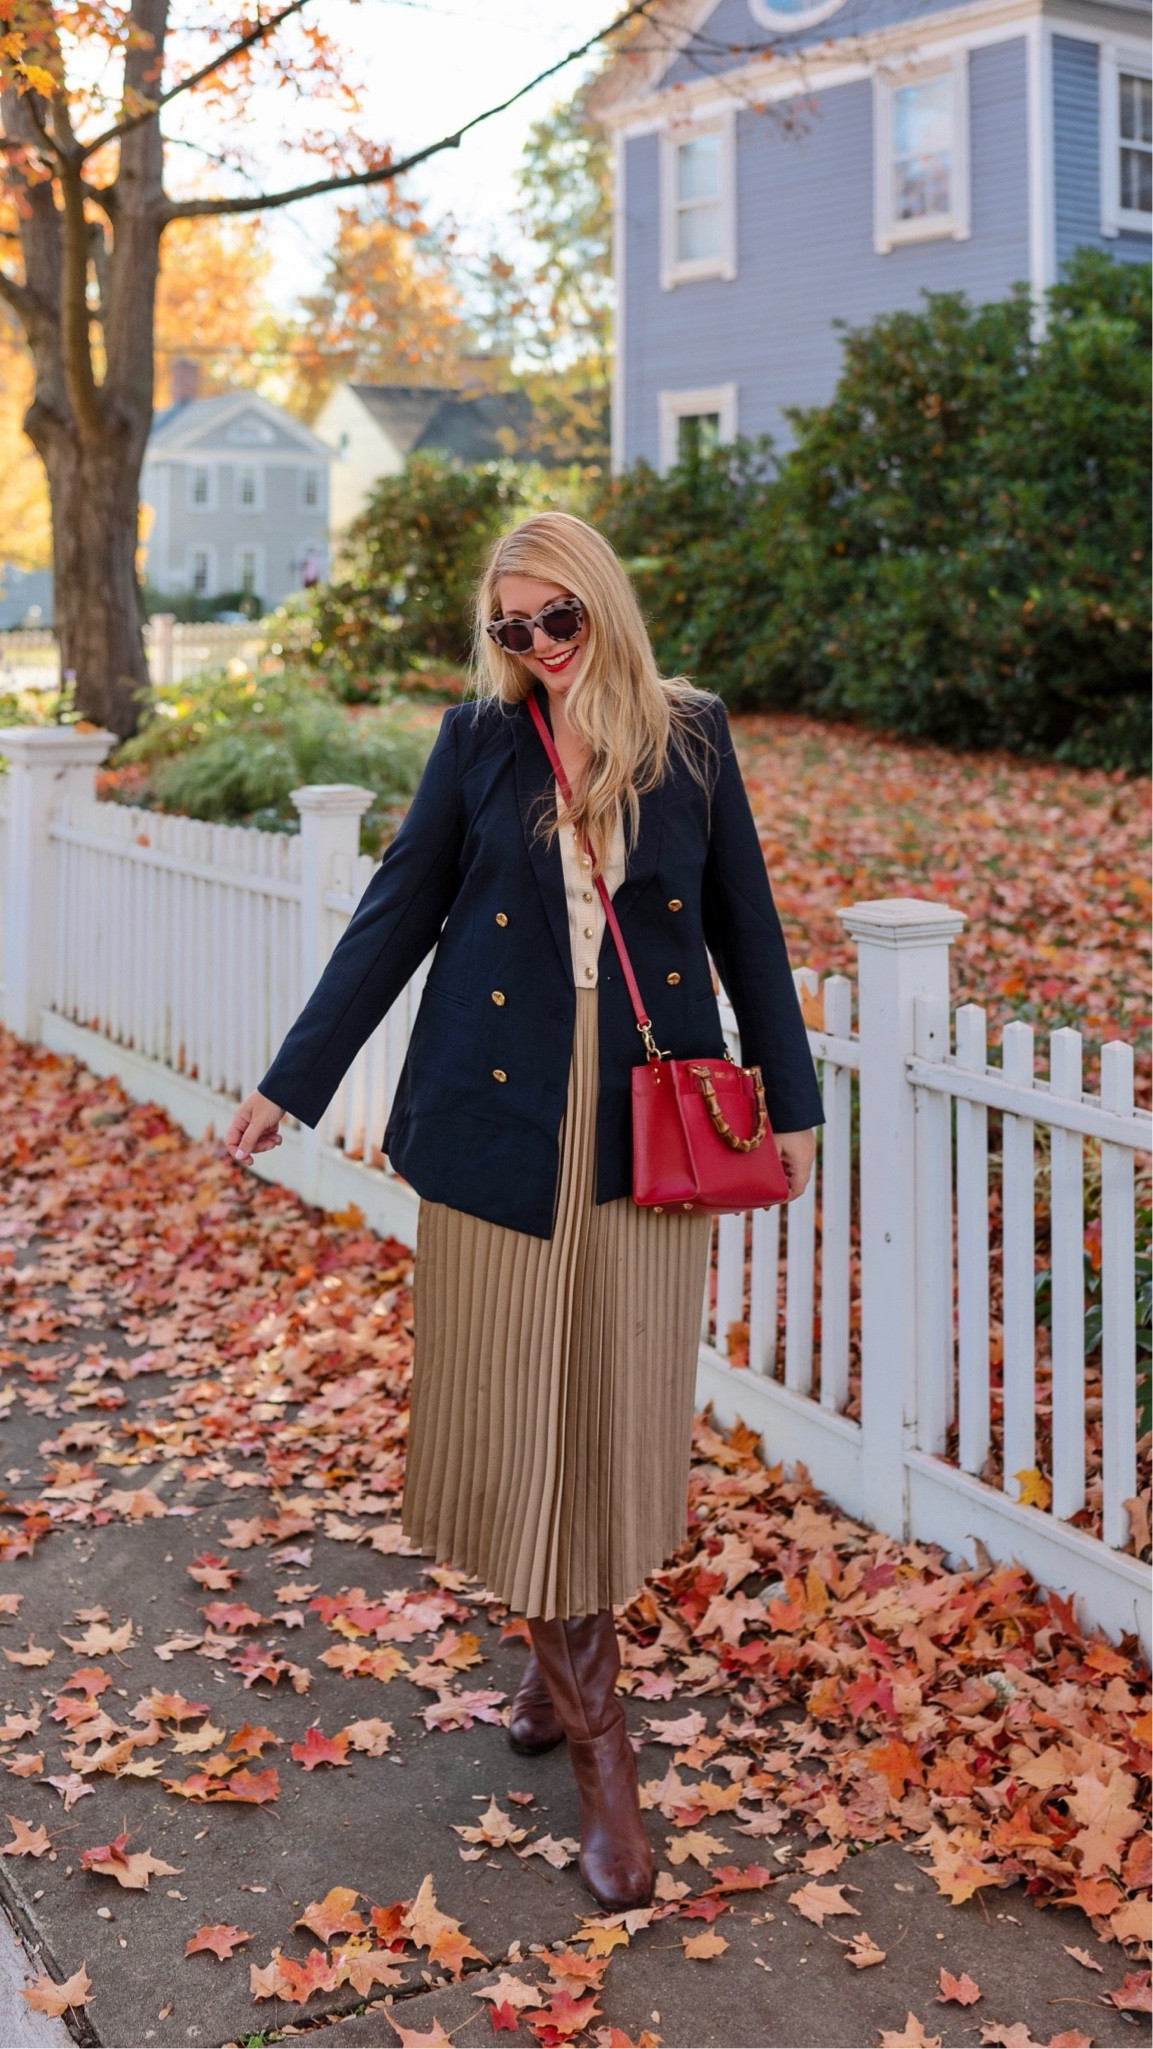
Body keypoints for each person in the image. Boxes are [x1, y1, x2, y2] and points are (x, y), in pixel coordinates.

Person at [225, 512, 822, 1911]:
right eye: (510, 628)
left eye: (558, 619)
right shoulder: (479, 744)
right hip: (496, 1121)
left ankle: (558, 1671)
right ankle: (602, 1746)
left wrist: (787, 1094)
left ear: (602, 608)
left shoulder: (689, 735)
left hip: (642, 1122)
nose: (538, 648)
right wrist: (284, 1087)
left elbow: (749, 925)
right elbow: (392, 917)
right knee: (508, 1402)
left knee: (607, 1405)